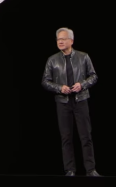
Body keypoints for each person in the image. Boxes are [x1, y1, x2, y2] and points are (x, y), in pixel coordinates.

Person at [42, 27, 99, 177]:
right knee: (66, 137)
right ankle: (70, 170)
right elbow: (45, 81)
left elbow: (93, 76)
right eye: (58, 39)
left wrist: (82, 85)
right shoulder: (52, 60)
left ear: (71, 41)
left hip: (81, 100)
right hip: (63, 103)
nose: (60, 41)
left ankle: (91, 170)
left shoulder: (83, 57)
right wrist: (60, 88)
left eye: (63, 39)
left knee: (86, 136)